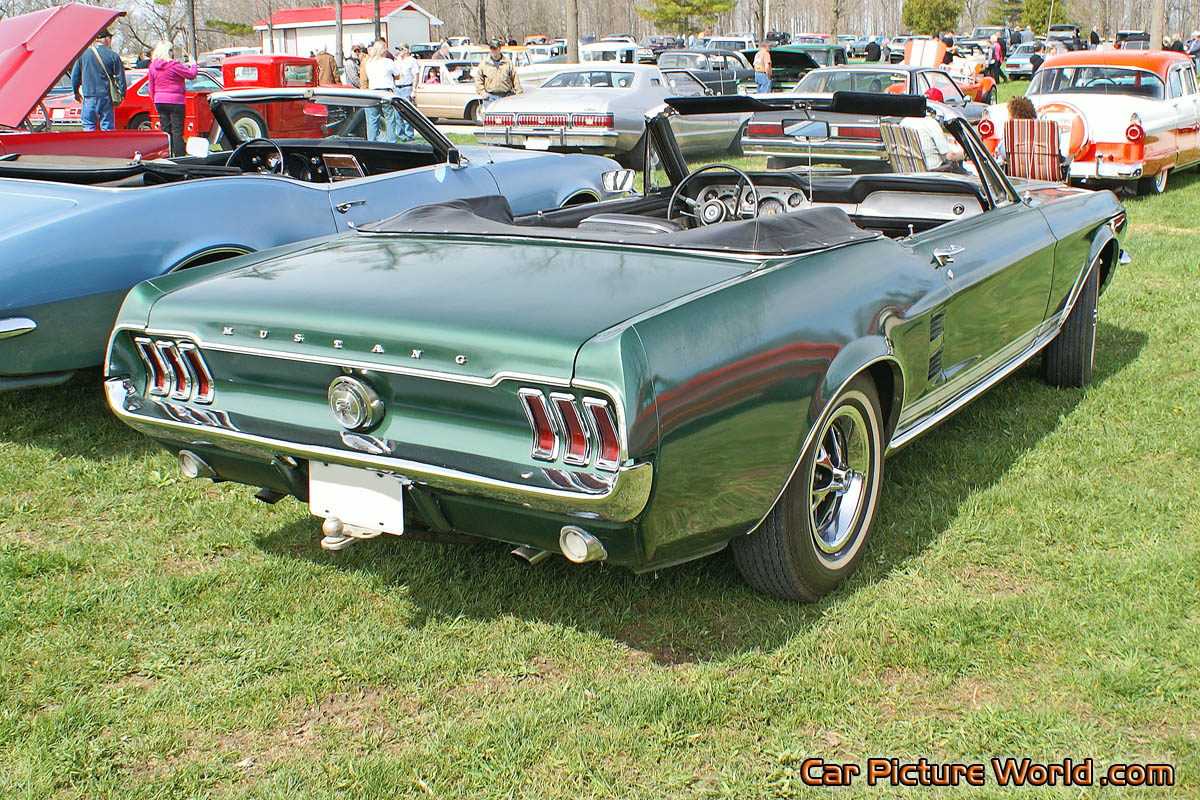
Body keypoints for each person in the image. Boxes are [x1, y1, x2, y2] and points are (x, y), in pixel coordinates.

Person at [146, 41, 197, 157]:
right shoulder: (174, 65)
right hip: (176, 100)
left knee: (165, 130)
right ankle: (179, 156)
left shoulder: (152, 66)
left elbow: (151, 87)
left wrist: (155, 100)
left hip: (160, 100)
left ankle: (166, 154)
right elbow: (191, 75)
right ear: (168, 52)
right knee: (178, 130)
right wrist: (193, 64)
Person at [70, 29, 126, 132]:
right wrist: (122, 94)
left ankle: (89, 146)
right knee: (107, 126)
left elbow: (75, 75)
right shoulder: (113, 55)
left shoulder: (83, 54)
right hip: (106, 95)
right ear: (106, 39)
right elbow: (120, 78)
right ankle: (107, 146)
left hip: (89, 95)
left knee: (88, 125)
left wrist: (75, 91)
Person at [361, 40, 402, 141]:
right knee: (390, 119)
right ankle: (391, 142)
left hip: (373, 93)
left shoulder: (369, 63)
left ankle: (371, 142)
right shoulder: (388, 62)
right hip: (386, 92)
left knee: (372, 120)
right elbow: (398, 76)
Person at [474, 39, 522, 106]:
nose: (492, 50)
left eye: (494, 48)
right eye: (491, 48)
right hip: (490, 98)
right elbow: (478, 79)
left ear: (499, 48)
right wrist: (482, 92)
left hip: (506, 97)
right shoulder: (484, 63)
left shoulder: (508, 63)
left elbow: (515, 79)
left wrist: (519, 95)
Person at [995, 95, 1037, 161]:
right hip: (1046, 170)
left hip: (1017, 170)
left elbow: (1003, 153)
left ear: (1014, 117)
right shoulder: (1048, 129)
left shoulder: (1012, 131)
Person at [392, 43, 418, 141]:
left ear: (406, 50)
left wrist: (413, 90)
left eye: (401, 49)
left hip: (407, 88)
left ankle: (410, 135)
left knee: (407, 112)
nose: (399, 51)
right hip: (397, 88)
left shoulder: (412, 61)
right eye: (398, 49)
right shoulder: (397, 61)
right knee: (397, 113)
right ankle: (401, 135)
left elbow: (415, 75)